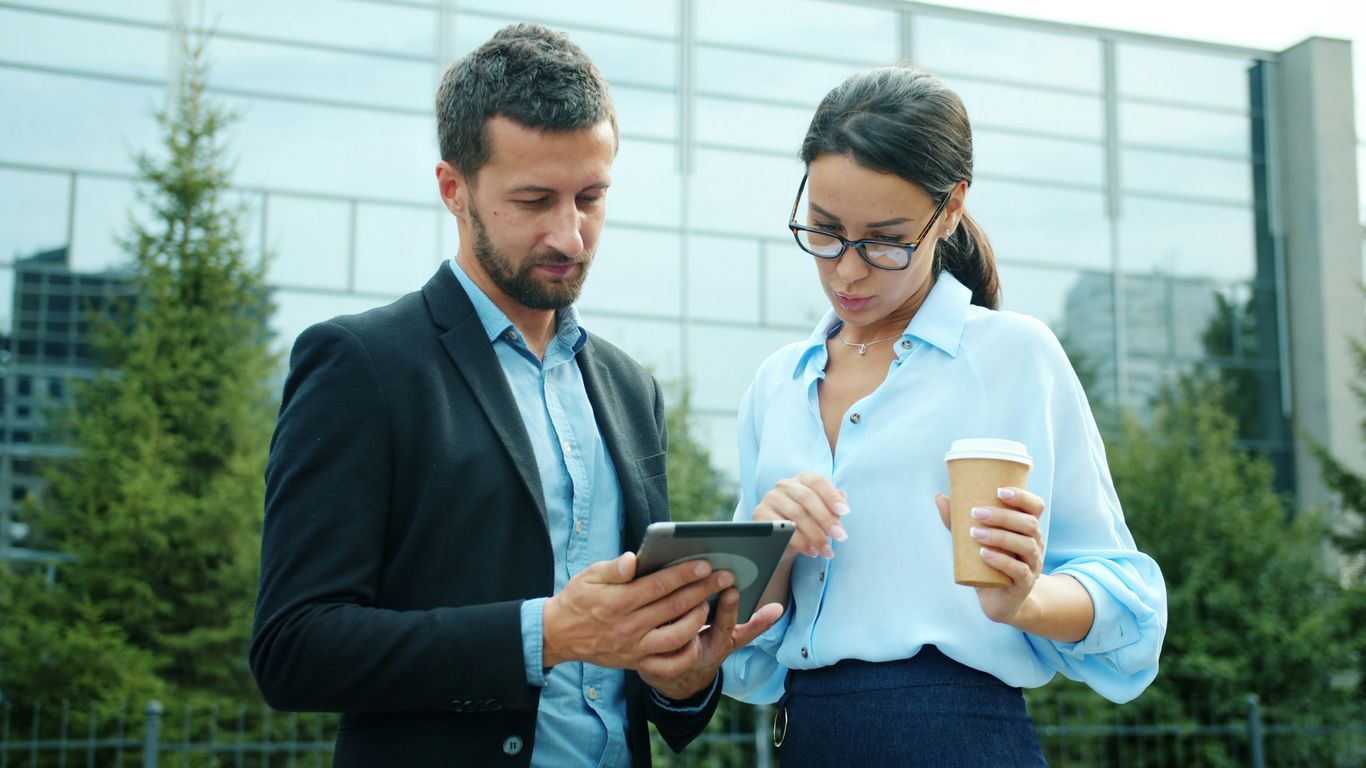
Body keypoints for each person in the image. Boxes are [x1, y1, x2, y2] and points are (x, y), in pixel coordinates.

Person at [250, 23, 781, 768]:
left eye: (591, 197)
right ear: (453, 190)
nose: (570, 235)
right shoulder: (360, 366)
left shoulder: (631, 390)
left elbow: (651, 686)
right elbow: (292, 648)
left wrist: (686, 678)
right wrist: (549, 635)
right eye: (534, 200)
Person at [720, 64, 1168, 766]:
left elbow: (1129, 607)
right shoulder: (778, 384)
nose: (848, 270)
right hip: (807, 739)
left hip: (960, 739)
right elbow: (744, 654)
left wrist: (1024, 598)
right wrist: (765, 547)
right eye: (825, 231)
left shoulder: (1013, 358)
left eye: (885, 239)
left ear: (952, 207)